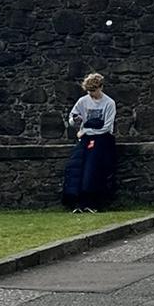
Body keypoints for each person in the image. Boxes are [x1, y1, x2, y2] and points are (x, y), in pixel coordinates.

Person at [62, 72, 118, 211]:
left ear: (101, 87)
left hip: (102, 139)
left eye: (93, 90)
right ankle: (76, 200)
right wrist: (75, 120)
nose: (91, 94)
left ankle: (92, 201)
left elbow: (107, 128)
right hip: (86, 139)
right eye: (89, 91)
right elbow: (72, 119)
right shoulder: (83, 101)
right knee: (76, 166)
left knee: (93, 166)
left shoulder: (109, 103)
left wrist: (86, 131)